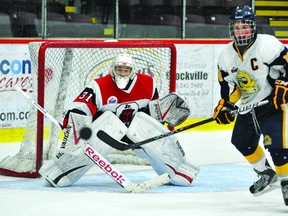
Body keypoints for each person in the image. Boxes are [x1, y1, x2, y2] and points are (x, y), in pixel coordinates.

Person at [39, 53, 199, 188]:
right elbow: (79, 107)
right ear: (112, 70)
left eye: (126, 69)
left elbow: (152, 113)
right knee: (111, 122)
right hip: (105, 133)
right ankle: (61, 168)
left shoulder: (148, 83)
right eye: (119, 69)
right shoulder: (99, 86)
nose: (122, 72)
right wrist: (76, 130)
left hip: (135, 132)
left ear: (133, 71)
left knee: (144, 124)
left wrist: (163, 111)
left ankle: (178, 166)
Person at [213, 5, 288, 205]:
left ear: (253, 27)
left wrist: (283, 86)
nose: (240, 31)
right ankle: (266, 173)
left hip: (273, 104)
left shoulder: (267, 44)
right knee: (241, 141)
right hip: (249, 105)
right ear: (231, 29)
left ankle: (286, 182)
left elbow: (287, 65)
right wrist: (226, 105)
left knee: (277, 147)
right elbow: (229, 86)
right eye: (236, 27)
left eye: (244, 27)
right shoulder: (225, 55)